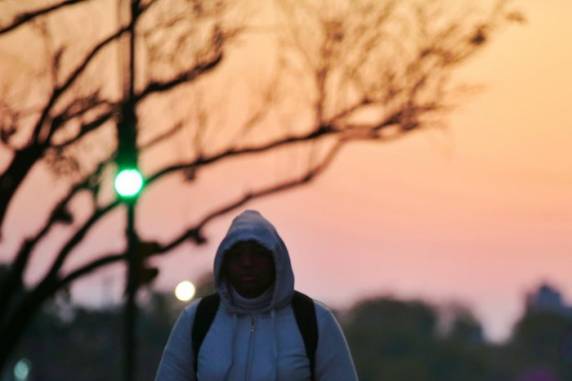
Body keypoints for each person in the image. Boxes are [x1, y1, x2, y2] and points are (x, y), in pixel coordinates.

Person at [155, 209, 358, 381]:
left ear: (276, 260)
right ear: (224, 261)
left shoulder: (314, 320)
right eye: (237, 254)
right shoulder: (197, 319)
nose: (247, 263)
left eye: (258, 253)